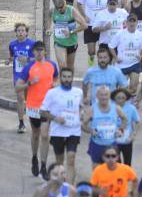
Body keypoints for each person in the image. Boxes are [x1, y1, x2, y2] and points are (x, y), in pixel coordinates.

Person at [16, 41, 57, 178]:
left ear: (45, 51)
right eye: (37, 50)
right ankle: (34, 158)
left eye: (41, 50)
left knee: (45, 135)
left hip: (47, 107)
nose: (39, 52)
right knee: (35, 134)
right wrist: (29, 83)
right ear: (33, 52)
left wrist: (55, 85)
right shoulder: (29, 67)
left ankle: (44, 166)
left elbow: (56, 77)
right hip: (33, 106)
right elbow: (17, 87)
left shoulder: (52, 65)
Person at [40, 66, 84, 183]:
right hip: (58, 131)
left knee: (71, 158)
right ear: (60, 78)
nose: (66, 79)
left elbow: (83, 107)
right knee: (59, 162)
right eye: (64, 77)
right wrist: (55, 118)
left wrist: (82, 115)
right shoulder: (52, 93)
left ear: (72, 78)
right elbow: (42, 111)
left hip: (73, 130)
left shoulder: (78, 92)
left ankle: (70, 187)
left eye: (69, 77)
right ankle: (61, 185)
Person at [7, 21, 35, 133]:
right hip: (18, 75)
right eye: (18, 30)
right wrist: (9, 60)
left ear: (27, 33)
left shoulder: (32, 44)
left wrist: (27, 60)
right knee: (20, 99)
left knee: (29, 100)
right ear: (16, 33)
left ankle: (34, 121)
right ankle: (21, 123)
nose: (20, 32)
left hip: (29, 74)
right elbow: (11, 54)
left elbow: (39, 59)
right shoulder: (12, 44)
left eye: (23, 30)